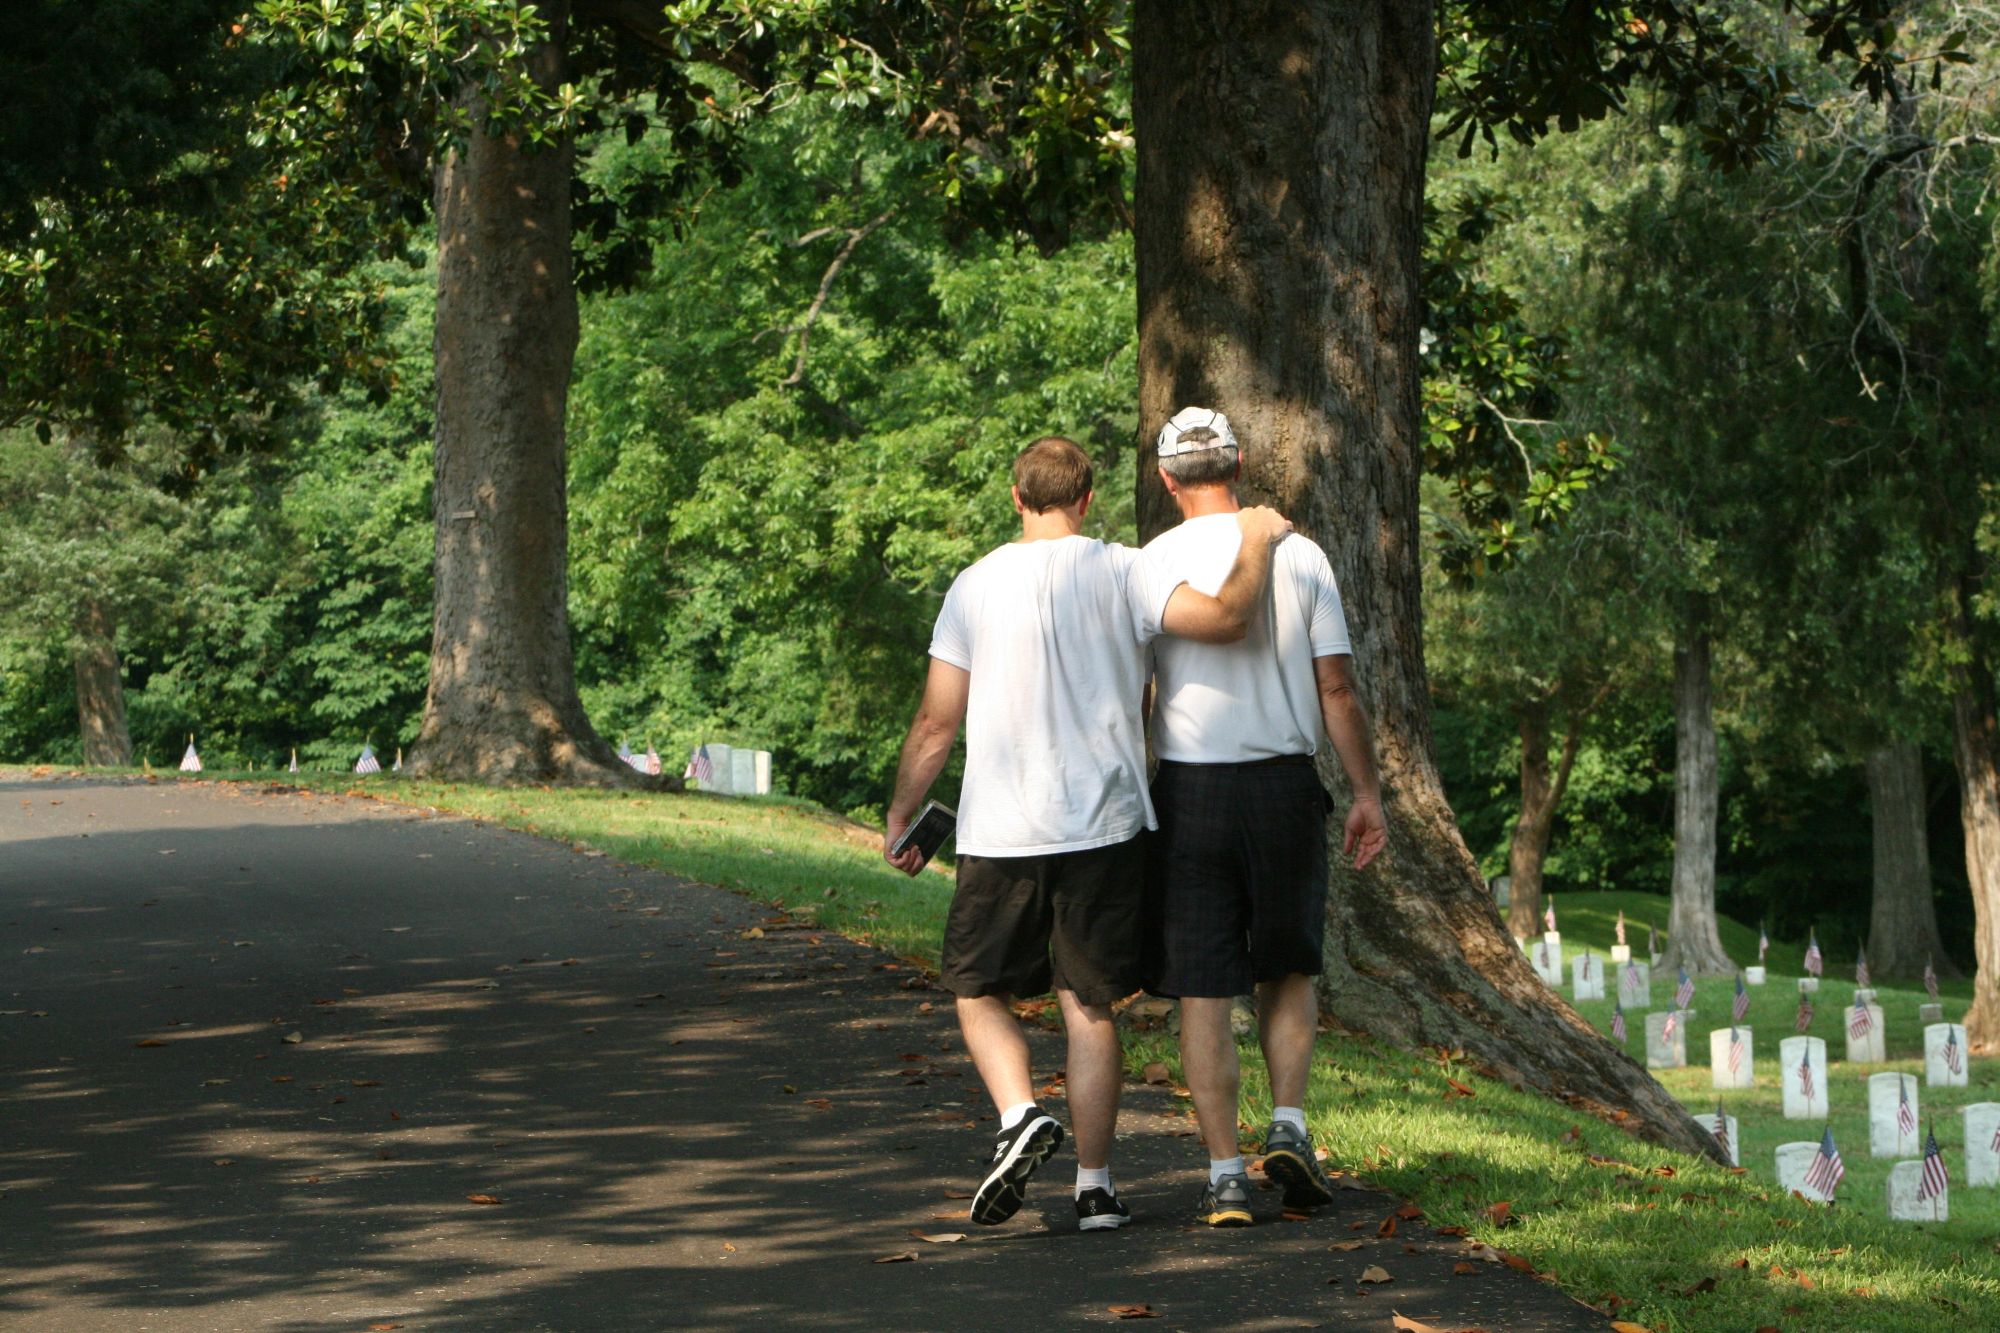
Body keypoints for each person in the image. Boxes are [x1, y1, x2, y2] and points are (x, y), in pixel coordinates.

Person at [884, 435, 1293, 1233]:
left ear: (1015, 496)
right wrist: (1253, 537)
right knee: (1090, 1004)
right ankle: (1097, 1187)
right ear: (1088, 497)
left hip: (1002, 827)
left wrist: (903, 810)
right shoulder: (1125, 569)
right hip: (1107, 823)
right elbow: (1225, 618)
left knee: (977, 989)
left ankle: (1017, 1114)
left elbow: (937, 722)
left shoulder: (973, 585)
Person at [1140, 405, 1388, 1227]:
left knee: (1204, 987)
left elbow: (1137, 690)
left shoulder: (1149, 563)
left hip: (1190, 790)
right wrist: (1366, 792)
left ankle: (1224, 1176)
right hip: (1283, 784)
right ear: (1238, 466)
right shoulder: (1301, 552)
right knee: (1287, 967)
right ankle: (1289, 1123)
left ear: (1168, 477)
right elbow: (1337, 690)